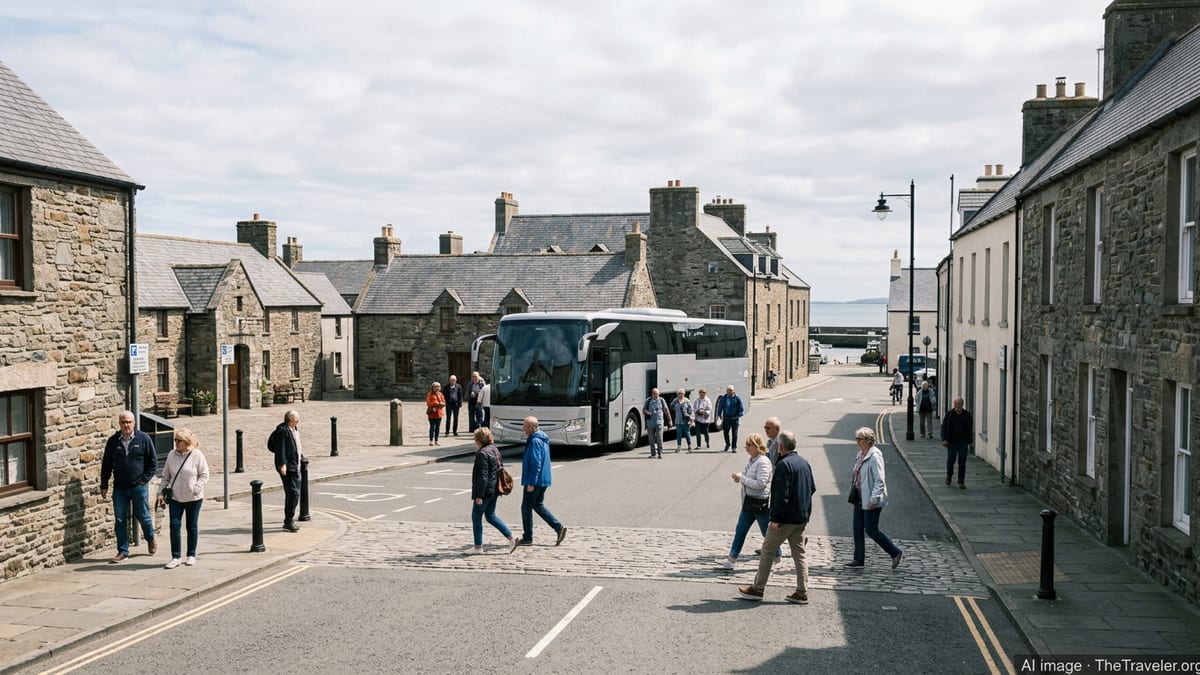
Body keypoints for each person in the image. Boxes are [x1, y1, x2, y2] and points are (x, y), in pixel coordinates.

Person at [738, 431, 815, 604]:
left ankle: (757, 589)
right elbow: (812, 489)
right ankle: (802, 591)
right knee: (799, 554)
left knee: (767, 551)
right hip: (801, 517)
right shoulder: (804, 463)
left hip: (784, 519)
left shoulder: (783, 465)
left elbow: (781, 495)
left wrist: (775, 518)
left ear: (780, 446)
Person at [100, 410, 159, 563]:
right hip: (120, 487)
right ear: (119, 424)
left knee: (143, 516)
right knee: (120, 519)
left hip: (138, 487)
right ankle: (123, 551)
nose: (126, 425)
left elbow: (153, 463)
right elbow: (106, 465)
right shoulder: (113, 441)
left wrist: (144, 480)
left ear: (134, 423)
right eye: (123, 422)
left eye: (129, 422)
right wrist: (104, 485)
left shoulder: (143, 439)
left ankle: (150, 537)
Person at [718, 433, 781, 570]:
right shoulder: (753, 460)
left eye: (748, 445)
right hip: (748, 503)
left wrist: (742, 478)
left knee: (767, 533)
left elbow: (761, 483)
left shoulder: (763, 462)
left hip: (759, 503)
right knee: (740, 530)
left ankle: (777, 556)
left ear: (757, 446)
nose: (746, 448)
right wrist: (739, 477)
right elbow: (748, 477)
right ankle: (731, 559)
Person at [844, 427, 904, 569]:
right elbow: (856, 476)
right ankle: (858, 559)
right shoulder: (860, 454)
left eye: (859, 439)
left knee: (871, 529)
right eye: (856, 439)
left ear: (868, 440)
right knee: (857, 528)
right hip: (859, 497)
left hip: (871, 498)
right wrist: (853, 497)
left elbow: (879, 480)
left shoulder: (875, 456)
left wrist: (874, 499)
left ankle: (895, 552)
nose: (857, 442)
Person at [157, 428, 210, 569]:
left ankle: (191, 555)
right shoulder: (171, 455)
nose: (175, 443)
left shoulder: (197, 455)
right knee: (174, 525)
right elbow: (165, 476)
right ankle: (175, 557)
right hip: (175, 498)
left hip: (194, 498)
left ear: (186, 442)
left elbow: (204, 475)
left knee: (191, 526)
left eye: (178, 440)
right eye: (175, 440)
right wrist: (160, 493)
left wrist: (196, 488)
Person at [467, 427, 518, 555]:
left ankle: (478, 547)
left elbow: (482, 477)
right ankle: (511, 538)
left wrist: (479, 495)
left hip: (485, 492)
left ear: (479, 439)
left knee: (476, 517)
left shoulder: (482, 454)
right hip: (495, 489)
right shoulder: (494, 450)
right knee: (490, 516)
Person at [517, 417, 567, 546]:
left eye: (526, 426)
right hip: (543, 479)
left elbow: (536, 462)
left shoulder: (535, 441)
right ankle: (558, 527)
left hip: (535, 480)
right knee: (537, 505)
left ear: (533, 427)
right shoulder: (542, 438)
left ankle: (528, 537)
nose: (524, 428)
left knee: (526, 508)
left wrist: (531, 482)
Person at [269, 409, 303, 532]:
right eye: (296, 420)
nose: (298, 422)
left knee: (295, 493)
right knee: (293, 493)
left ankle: (289, 519)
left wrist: (301, 458)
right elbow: (280, 448)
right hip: (289, 467)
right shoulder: (283, 431)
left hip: (296, 465)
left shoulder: (293, 429)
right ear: (290, 420)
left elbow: (296, 446)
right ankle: (288, 520)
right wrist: (282, 464)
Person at [941, 397, 974, 489]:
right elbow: (944, 427)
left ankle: (961, 481)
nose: (958, 406)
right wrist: (944, 439)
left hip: (963, 442)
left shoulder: (967, 415)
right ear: (954, 405)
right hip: (951, 441)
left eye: (960, 404)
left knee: (962, 461)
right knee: (951, 459)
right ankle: (949, 475)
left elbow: (970, 428)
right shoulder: (950, 415)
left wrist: (969, 439)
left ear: (962, 405)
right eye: (956, 404)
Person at [643, 387, 672, 459]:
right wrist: (647, 412)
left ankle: (660, 453)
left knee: (659, 438)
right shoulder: (648, 401)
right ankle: (653, 453)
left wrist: (669, 420)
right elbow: (643, 410)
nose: (657, 396)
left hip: (659, 422)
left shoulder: (661, 400)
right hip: (650, 423)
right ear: (652, 394)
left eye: (658, 394)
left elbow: (666, 410)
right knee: (651, 439)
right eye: (655, 394)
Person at [716, 384, 745, 452]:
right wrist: (719, 414)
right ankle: (727, 444)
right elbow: (720, 407)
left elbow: (741, 407)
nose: (729, 392)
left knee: (734, 434)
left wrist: (740, 413)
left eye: (731, 390)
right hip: (726, 418)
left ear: (733, 391)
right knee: (725, 433)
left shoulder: (737, 398)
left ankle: (734, 447)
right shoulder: (724, 398)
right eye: (728, 390)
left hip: (735, 418)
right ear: (726, 391)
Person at [670, 388, 693, 452]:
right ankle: (679, 447)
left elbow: (690, 410)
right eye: (679, 394)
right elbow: (671, 406)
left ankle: (689, 445)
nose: (680, 395)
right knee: (678, 434)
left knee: (687, 433)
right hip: (678, 421)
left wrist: (690, 418)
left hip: (686, 421)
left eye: (682, 394)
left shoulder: (687, 401)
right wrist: (676, 411)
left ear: (684, 394)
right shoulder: (675, 401)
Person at [426, 381, 445, 446]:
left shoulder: (440, 394)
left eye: (438, 387)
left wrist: (442, 404)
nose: (437, 388)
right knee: (432, 427)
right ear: (433, 387)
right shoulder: (430, 394)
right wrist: (436, 403)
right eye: (436, 387)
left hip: (439, 413)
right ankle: (431, 441)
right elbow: (428, 403)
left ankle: (436, 440)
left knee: (438, 427)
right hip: (432, 413)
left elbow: (443, 401)